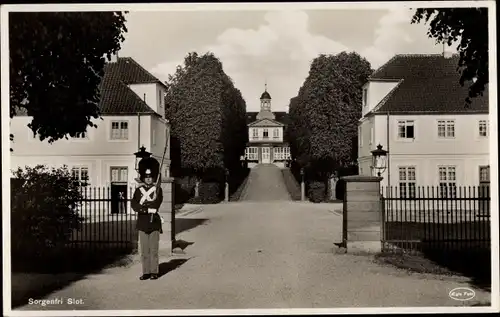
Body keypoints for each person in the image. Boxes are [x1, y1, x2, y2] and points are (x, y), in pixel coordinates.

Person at [131, 163, 163, 280]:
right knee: (144, 250)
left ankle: (154, 271)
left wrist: (144, 206)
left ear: (153, 178)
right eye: (146, 177)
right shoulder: (138, 191)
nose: (148, 179)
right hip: (143, 222)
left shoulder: (158, 190)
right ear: (143, 178)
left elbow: (156, 203)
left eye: (150, 177)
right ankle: (146, 272)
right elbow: (134, 204)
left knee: (153, 249)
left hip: (154, 222)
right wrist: (146, 209)